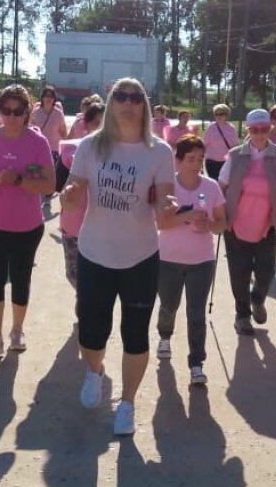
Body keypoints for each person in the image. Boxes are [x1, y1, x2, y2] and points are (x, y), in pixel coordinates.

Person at [63, 77, 177, 436]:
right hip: (95, 252)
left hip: (140, 257)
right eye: (121, 97)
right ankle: (94, 371)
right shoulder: (90, 146)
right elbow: (76, 186)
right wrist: (69, 195)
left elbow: (164, 206)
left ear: (144, 105)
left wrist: (170, 207)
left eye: (136, 97)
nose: (128, 103)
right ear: (111, 103)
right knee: (91, 333)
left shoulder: (159, 152)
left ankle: (126, 403)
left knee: (135, 334)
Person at [0, 84, 56, 360]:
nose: (12, 116)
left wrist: (18, 180)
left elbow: (50, 184)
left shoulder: (37, 142)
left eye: (18, 111)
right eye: (6, 110)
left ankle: (17, 330)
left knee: (20, 279)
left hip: (26, 227)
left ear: (28, 112)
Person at [155, 135, 227, 386]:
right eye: (190, 159)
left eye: (200, 159)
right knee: (168, 305)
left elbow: (222, 223)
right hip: (168, 259)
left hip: (202, 261)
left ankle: (197, 363)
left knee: (196, 313)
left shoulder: (211, 187)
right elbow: (160, 223)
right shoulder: (167, 186)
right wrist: (186, 216)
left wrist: (209, 224)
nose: (196, 164)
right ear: (177, 160)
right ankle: (164, 336)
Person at [218, 108, 276, 336]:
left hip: (267, 224)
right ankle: (242, 316)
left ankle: (257, 298)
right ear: (248, 130)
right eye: (255, 130)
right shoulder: (234, 155)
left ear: (269, 129)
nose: (260, 134)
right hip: (236, 224)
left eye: (264, 129)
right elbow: (220, 187)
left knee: (266, 272)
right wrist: (217, 212)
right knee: (238, 273)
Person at [59, 103, 105, 293]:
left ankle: (89, 310)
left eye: (107, 123)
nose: (102, 128)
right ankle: (87, 304)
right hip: (73, 225)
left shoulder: (123, 155)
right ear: (86, 125)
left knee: (98, 277)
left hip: (103, 229)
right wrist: (65, 195)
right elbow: (58, 183)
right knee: (73, 274)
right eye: (97, 123)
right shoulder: (72, 150)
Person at [29, 85, 68, 191]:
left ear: (54, 99)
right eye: (46, 96)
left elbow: (63, 131)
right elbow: (30, 130)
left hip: (53, 149)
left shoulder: (58, 113)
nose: (48, 99)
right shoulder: (36, 112)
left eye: (51, 96)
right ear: (42, 98)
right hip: (37, 149)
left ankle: (48, 191)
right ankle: (35, 188)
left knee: (50, 172)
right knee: (35, 170)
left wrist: (66, 147)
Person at [201, 103, 239, 181]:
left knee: (224, 183)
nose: (218, 116)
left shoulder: (231, 128)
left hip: (226, 162)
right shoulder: (211, 128)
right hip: (211, 161)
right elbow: (204, 144)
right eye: (216, 114)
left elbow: (235, 146)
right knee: (214, 183)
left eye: (221, 114)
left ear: (226, 115)